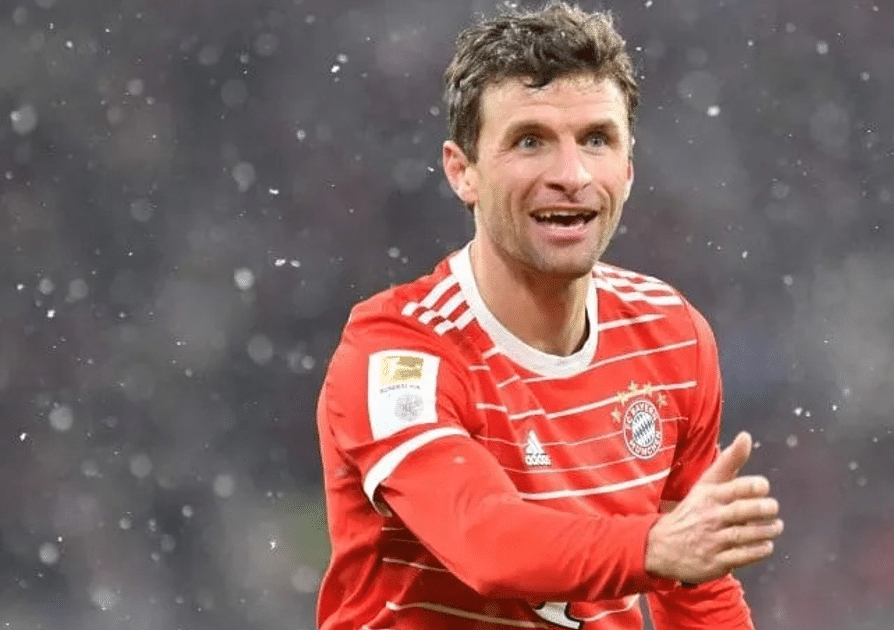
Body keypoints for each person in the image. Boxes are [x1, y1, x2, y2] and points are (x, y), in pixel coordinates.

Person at [312, 2, 783, 628]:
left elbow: (696, 587)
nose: (572, 174)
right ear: (463, 172)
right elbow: (484, 540)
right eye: (530, 141)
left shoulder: (670, 335)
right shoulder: (397, 353)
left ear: (628, 169)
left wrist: (675, 551)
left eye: (597, 139)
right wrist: (651, 547)